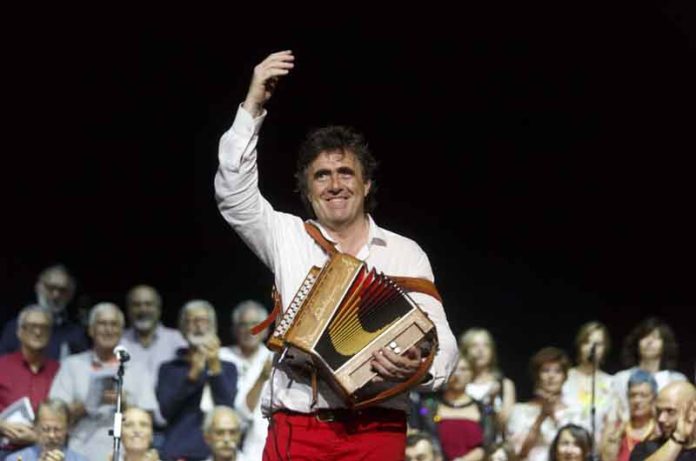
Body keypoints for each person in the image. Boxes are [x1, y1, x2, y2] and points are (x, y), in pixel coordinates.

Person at [214, 50, 458, 460]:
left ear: (366, 185)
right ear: (307, 189)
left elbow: (443, 340)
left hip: (376, 428)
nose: (335, 185)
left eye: (346, 173)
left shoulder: (405, 253)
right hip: (298, 427)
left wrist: (420, 368)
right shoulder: (288, 235)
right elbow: (232, 193)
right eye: (321, 176)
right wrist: (252, 105)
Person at [49, 303, 159, 461]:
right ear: (91, 330)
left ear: (121, 331)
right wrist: (86, 405)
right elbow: (53, 416)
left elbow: (148, 417)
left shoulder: (137, 368)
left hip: (126, 453)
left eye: (114, 325)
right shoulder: (72, 365)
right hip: (80, 451)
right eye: (102, 324)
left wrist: (124, 403)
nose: (108, 330)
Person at [156, 300, 237, 461]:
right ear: (182, 329)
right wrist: (192, 376)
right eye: (191, 321)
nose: (198, 326)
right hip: (181, 450)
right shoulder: (169, 368)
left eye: (203, 321)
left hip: (219, 452)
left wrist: (215, 368)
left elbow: (227, 407)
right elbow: (166, 411)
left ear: (213, 327)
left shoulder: (228, 368)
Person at [0, 306, 59, 456]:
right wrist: (1, 425)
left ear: (50, 334)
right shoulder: (2, 366)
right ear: (20, 331)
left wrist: (37, 436)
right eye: (32, 326)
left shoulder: (59, 371)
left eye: (43, 327)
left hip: (45, 450)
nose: (38, 332)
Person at [506, 347, 582, 461]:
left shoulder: (574, 412)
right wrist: (541, 417)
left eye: (558, 371)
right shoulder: (520, 411)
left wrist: (554, 417)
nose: (551, 376)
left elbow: (579, 449)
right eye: (545, 371)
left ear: (565, 377)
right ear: (537, 376)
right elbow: (519, 452)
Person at [218, 300, 272, 461]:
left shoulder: (275, 360)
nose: (250, 330)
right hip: (225, 447)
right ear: (234, 330)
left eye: (255, 324)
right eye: (243, 324)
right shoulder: (221, 357)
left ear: (266, 330)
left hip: (263, 447)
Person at [0, 265, 89, 360]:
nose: (56, 295)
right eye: (50, 288)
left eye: (63, 290)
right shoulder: (17, 326)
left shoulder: (75, 334)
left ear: (70, 295)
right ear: (38, 288)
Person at [561, 321, 617, 446]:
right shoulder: (565, 378)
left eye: (598, 344)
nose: (592, 348)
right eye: (587, 342)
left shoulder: (611, 383)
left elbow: (610, 424)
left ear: (605, 348)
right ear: (579, 346)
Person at [119, 284, 187, 385]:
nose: (143, 310)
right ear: (128, 310)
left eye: (148, 304)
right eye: (136, 305)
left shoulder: (177, 340)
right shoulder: (119, 341)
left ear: (159, 309)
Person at [614, 318, 687, 410]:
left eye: (656, 338)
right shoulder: (621, 378)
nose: (649, 342)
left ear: (665, 344)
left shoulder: (676, 380)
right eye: (644, 337)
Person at [459, 328, 517, 431]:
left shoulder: (504, 385)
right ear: (465, 350)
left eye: (486, 345)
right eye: (474, 346)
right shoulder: (458, 384)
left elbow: (506, 424)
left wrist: (492, 401)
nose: (480, 350)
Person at [431, 356, 485, 460]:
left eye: (463, 369)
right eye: (454, 369)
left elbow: (487, 444)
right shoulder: (430, 406)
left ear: (472, 373)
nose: (458, 374)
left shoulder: (482, 409)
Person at [601, 370, 659, 461]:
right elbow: (607, 458)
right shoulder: (616, 427)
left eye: (643, 395)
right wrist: (621, 429)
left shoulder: (660, 427)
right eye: (632, 395)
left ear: (654, 398)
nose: (637, 400)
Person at [630, 382, 696, 461]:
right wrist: (679, 436)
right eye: (659, 411)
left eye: (670, 411)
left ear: (693, 410)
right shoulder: (646, 449)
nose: (661, 419)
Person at [5, 398, 87, 461]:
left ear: (68, 429)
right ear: (35, 427)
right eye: (45, 429)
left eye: (57, 430)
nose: (51, 435)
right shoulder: (15, 459)